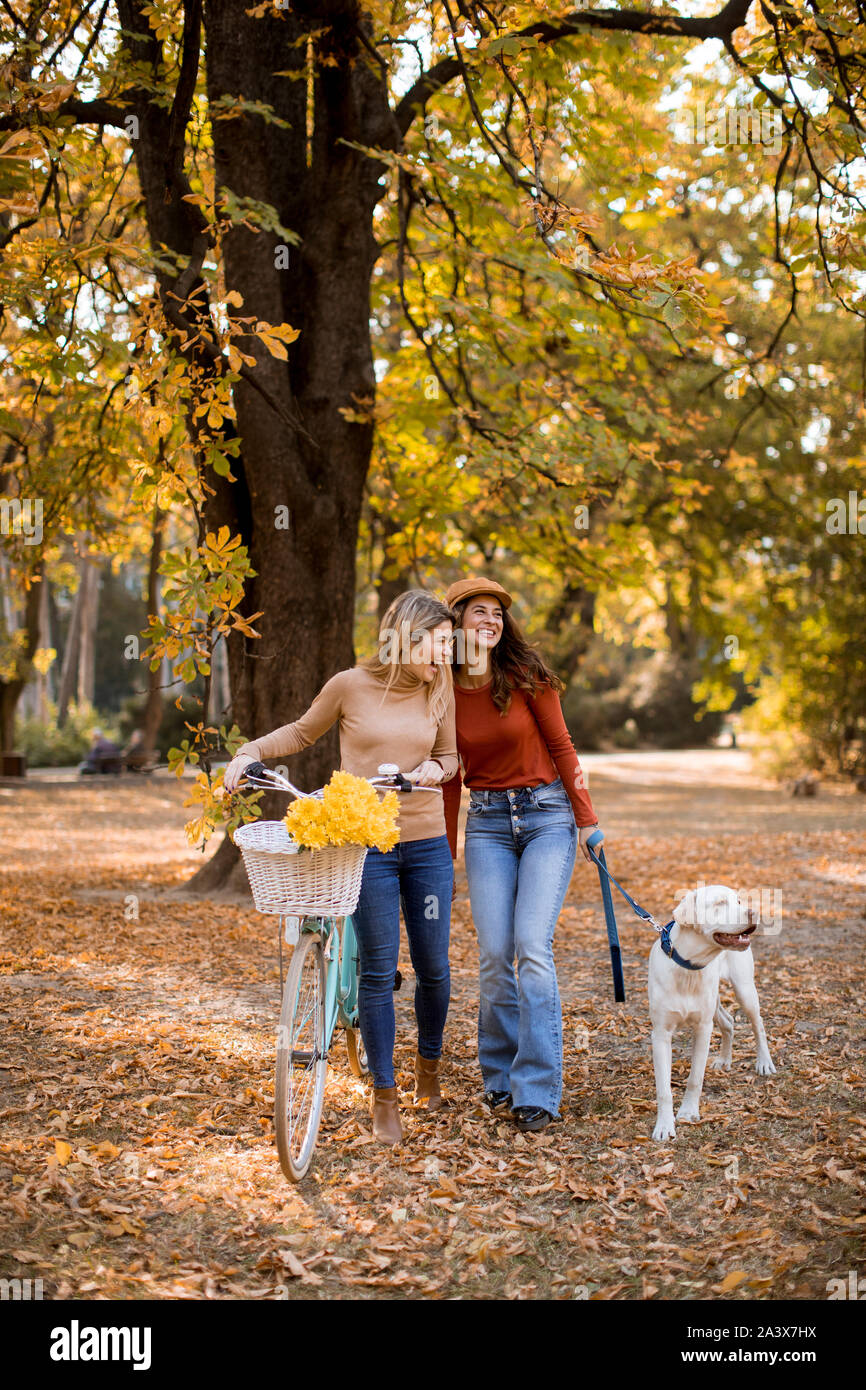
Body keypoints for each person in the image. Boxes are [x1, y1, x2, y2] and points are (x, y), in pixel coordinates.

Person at [223, 590, 457, 1146]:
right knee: (377, 969)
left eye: (450, 645)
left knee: (434, 968)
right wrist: (247, 752)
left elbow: (451, 760)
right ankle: (384, 1095)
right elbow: (302, 732)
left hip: (426, 844)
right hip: (366, 846)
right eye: (439, 643)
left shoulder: (439, 689)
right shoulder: (348, 685)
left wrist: (430, 772)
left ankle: (428, 1067)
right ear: (407, 635)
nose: (445, 656)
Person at [442, 578, 599, 1133]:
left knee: (532, 946)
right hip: (485, 823)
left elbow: (563, 747)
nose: (491, 620)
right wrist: (446, 848)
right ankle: (500, 1077)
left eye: (498, 614)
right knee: (493, 953)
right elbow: (448, 775)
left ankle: (536, 1087)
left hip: (546, 816)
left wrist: (588, 820)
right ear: (455, 622)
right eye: (478, 612)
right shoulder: (440, 688)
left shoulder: (526, 675)